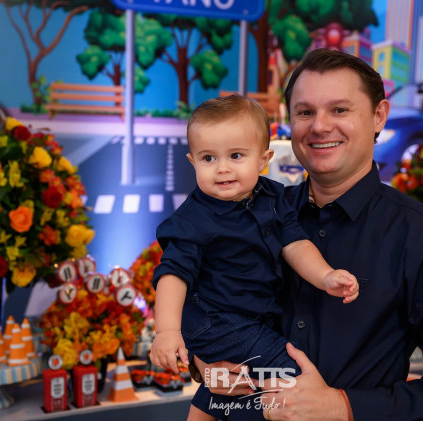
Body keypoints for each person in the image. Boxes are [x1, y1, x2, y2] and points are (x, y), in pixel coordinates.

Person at [193, 48, 423, 421]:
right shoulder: (252, 215)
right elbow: (205, 305)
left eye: (339, 110)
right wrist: (201, 363)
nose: (320, 127)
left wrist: (342, 406)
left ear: (378, 116)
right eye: (305, 112)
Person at [150, 94, 359, 421]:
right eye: (208, 158)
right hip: (218, 320)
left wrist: (325, 275)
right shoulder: (193, 219)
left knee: (232, 379)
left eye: (236, 155)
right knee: (290, 375)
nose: (222, 168)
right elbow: (173, 274)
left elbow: (295, 244)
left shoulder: (273, 196)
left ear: (264, 158)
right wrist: (166, 331)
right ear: (192, 161)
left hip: (249, 318)